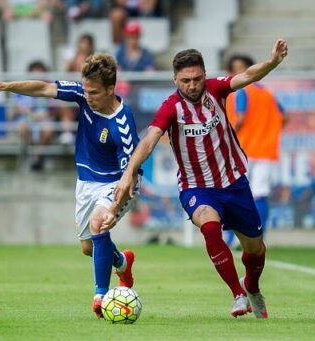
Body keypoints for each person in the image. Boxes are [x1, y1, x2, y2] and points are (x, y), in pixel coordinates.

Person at [115, 39, 288, 319]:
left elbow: (247, 75)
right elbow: (150, 139)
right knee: (209, 227)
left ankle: (252, 286)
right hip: (197, 187)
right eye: (185, 80)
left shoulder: (217, 89)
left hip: (234, 182)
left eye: (196, 79)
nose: (192, 85)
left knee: (255, 250)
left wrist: (272, 63)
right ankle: (237, 293)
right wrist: (129, 172)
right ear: (175, 79)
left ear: (204, 75)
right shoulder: (171, 108)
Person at [0, 53, 141, 319]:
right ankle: (121, 262)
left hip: (118, 182)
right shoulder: (82, 93)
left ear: (112, 89)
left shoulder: (123, 124)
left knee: (99, 223)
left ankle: (101, 297)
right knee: (89, 247)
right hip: (87, 182)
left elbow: (129, 175)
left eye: (95, 93)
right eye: (86, 90)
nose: (88, 97)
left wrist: (113, 207)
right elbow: (43, 87)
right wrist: (6, 86)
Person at [226, 54, 286, 235]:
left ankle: (235, 237)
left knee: (235, 192)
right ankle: (259, 236)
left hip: (244, 149)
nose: (239, 73)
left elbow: (240, 118)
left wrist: (226, 138)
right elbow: (284, 116)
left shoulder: (243, 91)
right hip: (266, 150)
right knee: (260, 193)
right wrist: (267, 131)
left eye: (241, 68)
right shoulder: (267, 93)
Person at [12, 61, 55, 171]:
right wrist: (28, 112)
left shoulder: (51, 87)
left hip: (43, 117)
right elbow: (16, 107)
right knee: (23, 128)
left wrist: (42, 115)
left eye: (40, 71)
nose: (37, 74)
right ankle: (36, 156)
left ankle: (35, 156)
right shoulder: (21, 87)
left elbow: (53, 108)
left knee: (48, 130)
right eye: (34, 71)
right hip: (26, 117)